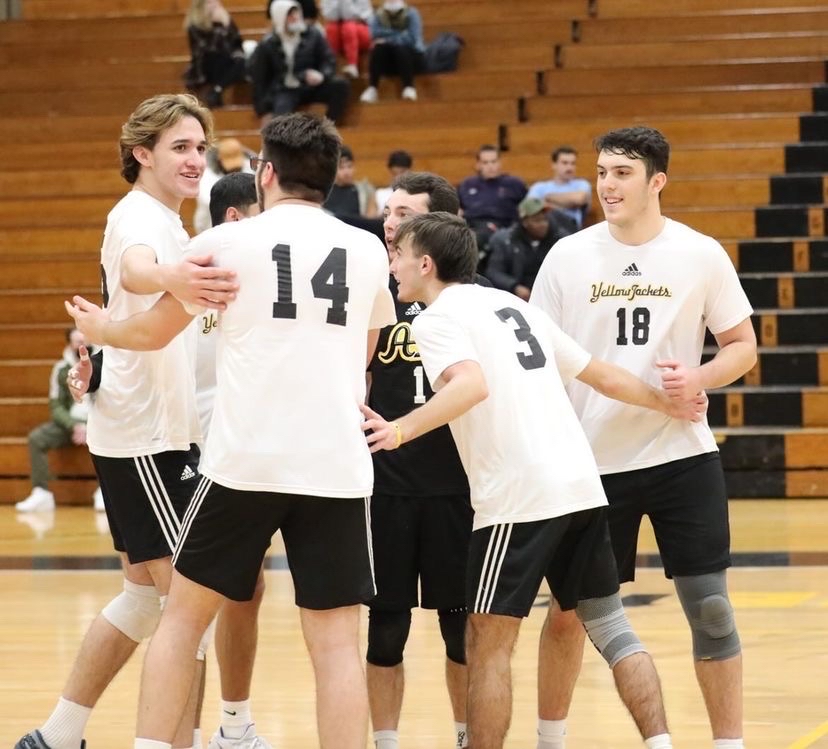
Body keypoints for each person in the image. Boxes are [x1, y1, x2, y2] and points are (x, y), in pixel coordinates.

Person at [67, 112, 396, 749]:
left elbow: (150, 332)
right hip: (334, 466)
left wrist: (99, 331)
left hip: (243, 464)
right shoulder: (367, 250)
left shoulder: (227, 243)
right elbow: (365, 350)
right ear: (329, 181)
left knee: (181, 625)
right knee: (335, 646)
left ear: (264, 173)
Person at [361, 212, 707, 749]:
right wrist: (667, 402)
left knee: (489, 643)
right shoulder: (512, 305)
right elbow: (602, 375)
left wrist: (400, 430)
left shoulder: (434, 321)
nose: (393, 264)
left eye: (398, 253)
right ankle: (661, 743)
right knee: (611, 628)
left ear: (425, 263)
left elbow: (468, 386)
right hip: (582, 486)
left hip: (520, 499)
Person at [14, 93, 238, 749]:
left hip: (153, 431)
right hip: (148, 440)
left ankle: (57, 734)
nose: (196, 159)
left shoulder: (173, 220)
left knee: (146, 599)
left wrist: (103, 348)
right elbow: (140, 271)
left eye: (200, 147)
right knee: (187, 610)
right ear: (142, 154)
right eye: (180, 147)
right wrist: (170, 273)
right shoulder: (138, 218)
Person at [530, 126, 756, 749]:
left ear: (658, 180)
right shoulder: (567, 256)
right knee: (571, 614)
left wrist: (700, 377)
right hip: (592, 462)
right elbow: (540, 361)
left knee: (710, 608)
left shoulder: (700, 253)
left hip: (681, 454)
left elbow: (743, 347)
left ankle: (727, 744)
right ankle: (552, 738)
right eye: (603, 171)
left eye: (622, 172)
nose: (607, 183)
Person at [367, 172, 474, 749]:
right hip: (386, 489)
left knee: (461, 631)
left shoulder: (471, 299)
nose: (390, 222)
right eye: (388, 211)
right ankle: (386, 741)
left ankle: (465, 736)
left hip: (458, 489)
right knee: (386, 631)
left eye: (404, 212)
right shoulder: (372, 288)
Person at [14, 328, 103, 513]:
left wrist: (90, 426)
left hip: (98, 423)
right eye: (76, 341)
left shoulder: (102, 364)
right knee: (37, 438)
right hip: (71, 424)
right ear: (69, 344)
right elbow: (56, 406)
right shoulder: (61, 369)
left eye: (83, 340)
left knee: (112, 439)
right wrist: (74, 426)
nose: (81, 344)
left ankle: (104, 491)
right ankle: (41, 492)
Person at [250, 0, 350, 124]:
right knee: (279, 119)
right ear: (280, 17)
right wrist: (263, 111)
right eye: (290, 15)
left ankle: (329, 128)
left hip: (311, 86)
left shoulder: (313, 34)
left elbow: (328, 60)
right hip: (285, 90)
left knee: (340, 85)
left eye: (296, 13)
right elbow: (260, 80)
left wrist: (322, 75)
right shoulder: (268, 44)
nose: (295, 17)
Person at [485, 197, 576, 301]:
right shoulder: (506, 240)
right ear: (525, 223)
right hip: (517, 299)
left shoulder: (562, 240)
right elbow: (494, 272)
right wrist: (514, 286)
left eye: (544, 219)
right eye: (537, 220)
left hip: (553, 296)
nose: (543, 224)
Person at [457, 144, 527, 269]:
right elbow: (457, 208)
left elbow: (527, 207)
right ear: (478, 164)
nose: (490, 166)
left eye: (493, 161)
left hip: (505, 227)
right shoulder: (467, 184)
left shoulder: (514, 184)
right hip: (472, 226)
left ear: (500, 163)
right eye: (485, 162)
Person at [183, 0, 248, 108]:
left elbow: (237, 43)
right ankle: (216, 92)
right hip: (204, 65)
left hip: (226, 62)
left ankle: (217, 89)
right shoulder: (194, 26)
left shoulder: (225, 21)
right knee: (218, 59)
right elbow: (208, 49)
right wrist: (219, 26)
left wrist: (225, 25)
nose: (215, 5)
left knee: (241, 61)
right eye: (209, 2)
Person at [359, 0, 425, 104]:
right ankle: (372, 88)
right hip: (388, 59)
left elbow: (413, 38)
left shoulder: (412, 13)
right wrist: (400, 34)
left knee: (400, 48)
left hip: (409, 57)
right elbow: (374, 34)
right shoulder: (378, 14)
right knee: (378, 48)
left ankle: (409, 87)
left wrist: (388, 39)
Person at [193, 138, 256, 234]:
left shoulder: (249, 167)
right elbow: (207, 200)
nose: (234, 169)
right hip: (209, 226)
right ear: (219, 160)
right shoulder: (207, 175)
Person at [527, 146, 592, 229]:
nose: (569, 167)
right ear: (554, 165)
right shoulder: (539, 187)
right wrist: (567, 204)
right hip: (544, 230)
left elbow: (579, 199)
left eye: (573, 163)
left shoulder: (582, 184)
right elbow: (530, 207)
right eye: (565, 163)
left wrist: (548, 198)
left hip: (570, 230)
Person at [323, 144, 378, 219]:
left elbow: (371, 219)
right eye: (341, 167)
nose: (347, 172)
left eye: (349, 166)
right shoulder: (324, 191)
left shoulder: (366, 190)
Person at [322, 0, 373, 78]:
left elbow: (354, 16)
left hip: (360, 30)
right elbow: (330, 16)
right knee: (331, 29)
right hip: (340, 31)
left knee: (348, 26)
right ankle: (331, 66)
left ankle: (352, 64)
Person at [374, 149, 412, 214]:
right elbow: (370, 220)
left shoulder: (417, 195)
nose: (398, 177)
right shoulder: (379, 194)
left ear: (409, 171)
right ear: (390, 172)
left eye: (402, 172)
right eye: (394, 173)